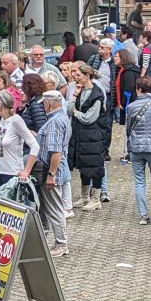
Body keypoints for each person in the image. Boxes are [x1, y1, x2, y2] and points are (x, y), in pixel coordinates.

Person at [123, 76, 151, 225]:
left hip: (136, 148)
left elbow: (128, 129)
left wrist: (129, 145)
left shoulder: (131, 107)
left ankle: (143, 215)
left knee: (139, 182)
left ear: (139, 89)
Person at [71, 64, 112, 211]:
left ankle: (96, 199)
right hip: (82, 135)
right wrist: (74, 96)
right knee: (84, 165)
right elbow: (70, 108)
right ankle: (84, 196)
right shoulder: (80, 91)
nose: (75, 77)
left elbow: (89, 118)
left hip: (94, 136)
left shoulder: (96, 94)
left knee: (95, 166)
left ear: (87, 76)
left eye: (78, 75)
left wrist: (76, 113)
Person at [37, 92, 72, 256]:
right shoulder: (62, 118)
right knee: (48, 208)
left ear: (48, 103)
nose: (43, 106)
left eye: (43, 103)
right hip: (56, 170)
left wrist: (51, 175)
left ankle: (61, 244)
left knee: (54, 209)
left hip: (51, 172)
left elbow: (56, 152)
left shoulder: (54, 122)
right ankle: (48, 241)